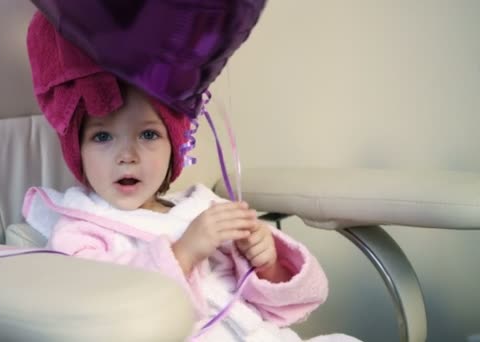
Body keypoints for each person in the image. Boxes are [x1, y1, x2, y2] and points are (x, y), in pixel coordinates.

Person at [23, 11, 361, 342]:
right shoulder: (80, 231)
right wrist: (184, 253)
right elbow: (99, 313)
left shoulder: (200, 207)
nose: (127, 155)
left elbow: (277, 309)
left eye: (148, 135)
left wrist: (267, 264)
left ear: (174, 146)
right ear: (76, 151)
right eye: (102, 137)